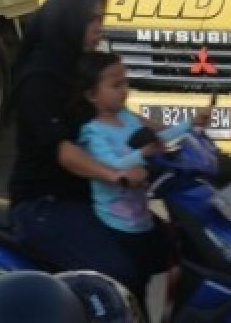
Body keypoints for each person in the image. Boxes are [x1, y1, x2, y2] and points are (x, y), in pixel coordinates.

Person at [7, 0, 152, 301]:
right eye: (91, 21)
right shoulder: (40, 78)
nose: (99, 29)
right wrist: (115, 174)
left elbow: (121, 114)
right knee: (118, 273)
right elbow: (64, 151)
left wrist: (176, 132)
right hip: (45, 204)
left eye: (101, 19)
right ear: (67, 21)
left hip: (87, 195)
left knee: (162, 247)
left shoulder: (82, 66)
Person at [76, 53, 205, 306]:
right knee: (131, 288)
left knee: (179, 259)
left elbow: (162, 137)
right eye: (115, 85)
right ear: (92, 95)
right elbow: (111, 165)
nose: (124, 90)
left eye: (125, 83)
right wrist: (142, 154)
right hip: (117, 226)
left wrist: (191, 124)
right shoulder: (92, 132)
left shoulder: (127, 118)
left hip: (143, 221)